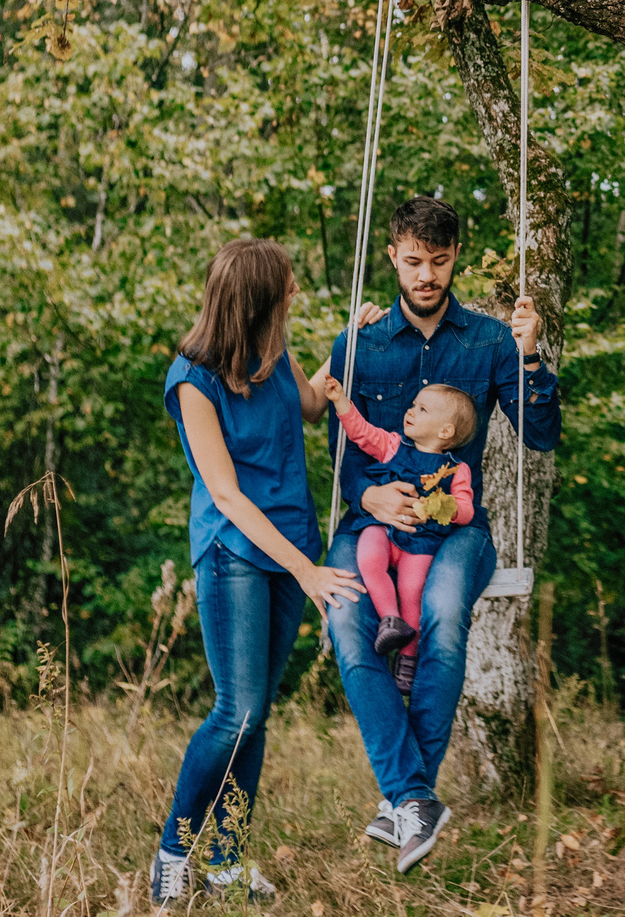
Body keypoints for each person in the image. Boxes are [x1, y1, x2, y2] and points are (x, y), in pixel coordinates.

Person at [321, 195, 558, 872]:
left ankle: (404, 800)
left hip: (457, 532)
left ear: (455, 259)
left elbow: (539, 436)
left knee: (444, 614)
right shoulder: (358, 342)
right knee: (347, 621)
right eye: (416, 261)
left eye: (441, 262)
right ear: (393, 255)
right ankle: (413, 797)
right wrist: (368, 492)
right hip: (372, 523)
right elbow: (343, 460)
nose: (427, 276)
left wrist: (530, 355)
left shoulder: (487, 340)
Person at [151, 237, 374, 904]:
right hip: (236, 555)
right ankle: (172, 853)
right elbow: (225, 495)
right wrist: (306, 570)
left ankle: (224, 861)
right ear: (256, 300)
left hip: (290, 547)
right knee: (237, 710)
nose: (294, 294)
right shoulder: (192, 379)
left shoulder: (272, 354)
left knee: (258, 714)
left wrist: (348, 341)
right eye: (286, 287)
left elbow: (309, 405)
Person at [311, 373, 478, 684]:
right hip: (384, 528)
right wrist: (340, 402)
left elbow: (466, 509)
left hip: (420, 540)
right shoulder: (393, 445)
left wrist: (442, 507)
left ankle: (408, 656)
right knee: (368, 556)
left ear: (446, 430)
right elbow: (362, 434)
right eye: (413, 405)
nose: (410, 411)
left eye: (422, 409)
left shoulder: (456, 470)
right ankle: (391, 620)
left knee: (413, 590)